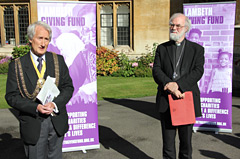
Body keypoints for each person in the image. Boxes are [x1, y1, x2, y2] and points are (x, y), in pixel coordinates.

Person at [5, 21, 74, 159]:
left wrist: (54, 104)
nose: (43, 43)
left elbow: (68, 87)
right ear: (30, 39)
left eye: (46, 39)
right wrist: (35, 107)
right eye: (39, 38)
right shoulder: (17, 65)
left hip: (56, 121)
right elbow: (12, 96)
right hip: (33, 123)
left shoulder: (58, 60)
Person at [152, 13, 204, 159]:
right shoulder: (162, 48)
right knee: (168, 144)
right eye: (172, 25)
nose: (174, 28)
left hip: (185, 98)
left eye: (177, 25)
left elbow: (198, 71)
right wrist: (169, 84)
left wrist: (178, 86)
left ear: (186, 28)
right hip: (166, 100)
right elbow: (156, 70)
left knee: (185, 143)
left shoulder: (196, 50)